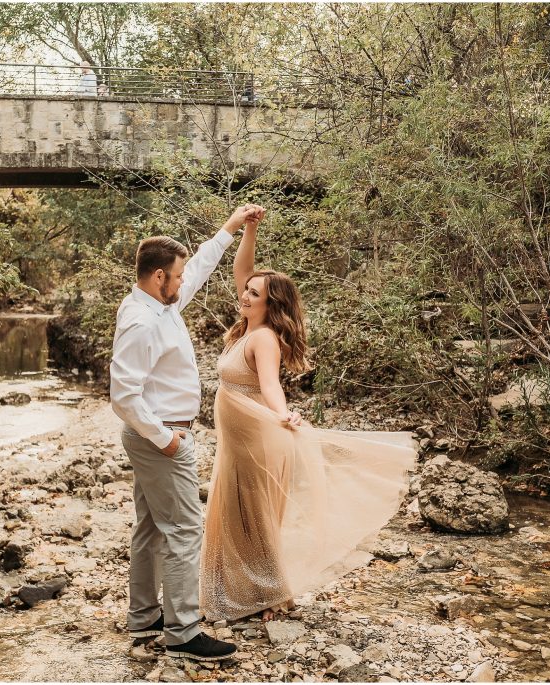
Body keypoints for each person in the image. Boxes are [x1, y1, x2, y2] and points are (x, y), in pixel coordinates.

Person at [200, 207, 417, 622]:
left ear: (271, 304)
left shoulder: (262, 338)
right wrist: (249, 228)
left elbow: (269, 385)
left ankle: (271, 593)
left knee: (254, 516)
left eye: (254, 294)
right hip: (238, 439)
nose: (245, 295)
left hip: (256, 438)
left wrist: (283, 414)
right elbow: (244, 269)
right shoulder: (246, 323)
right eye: (246, 290)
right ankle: (240, 590)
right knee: (235, 513)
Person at [110, 204, 264, 661]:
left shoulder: (157, 302)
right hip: (160, 438)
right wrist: (168, 440)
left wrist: (230, 229)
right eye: (175, 277)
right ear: (159, 277)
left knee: (151, 528)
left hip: (156, 436)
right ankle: (182, 633)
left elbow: (196, 268)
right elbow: (123, 395)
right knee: (183, 530)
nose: (182, 283)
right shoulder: (140, 322)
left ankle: (144, 617)